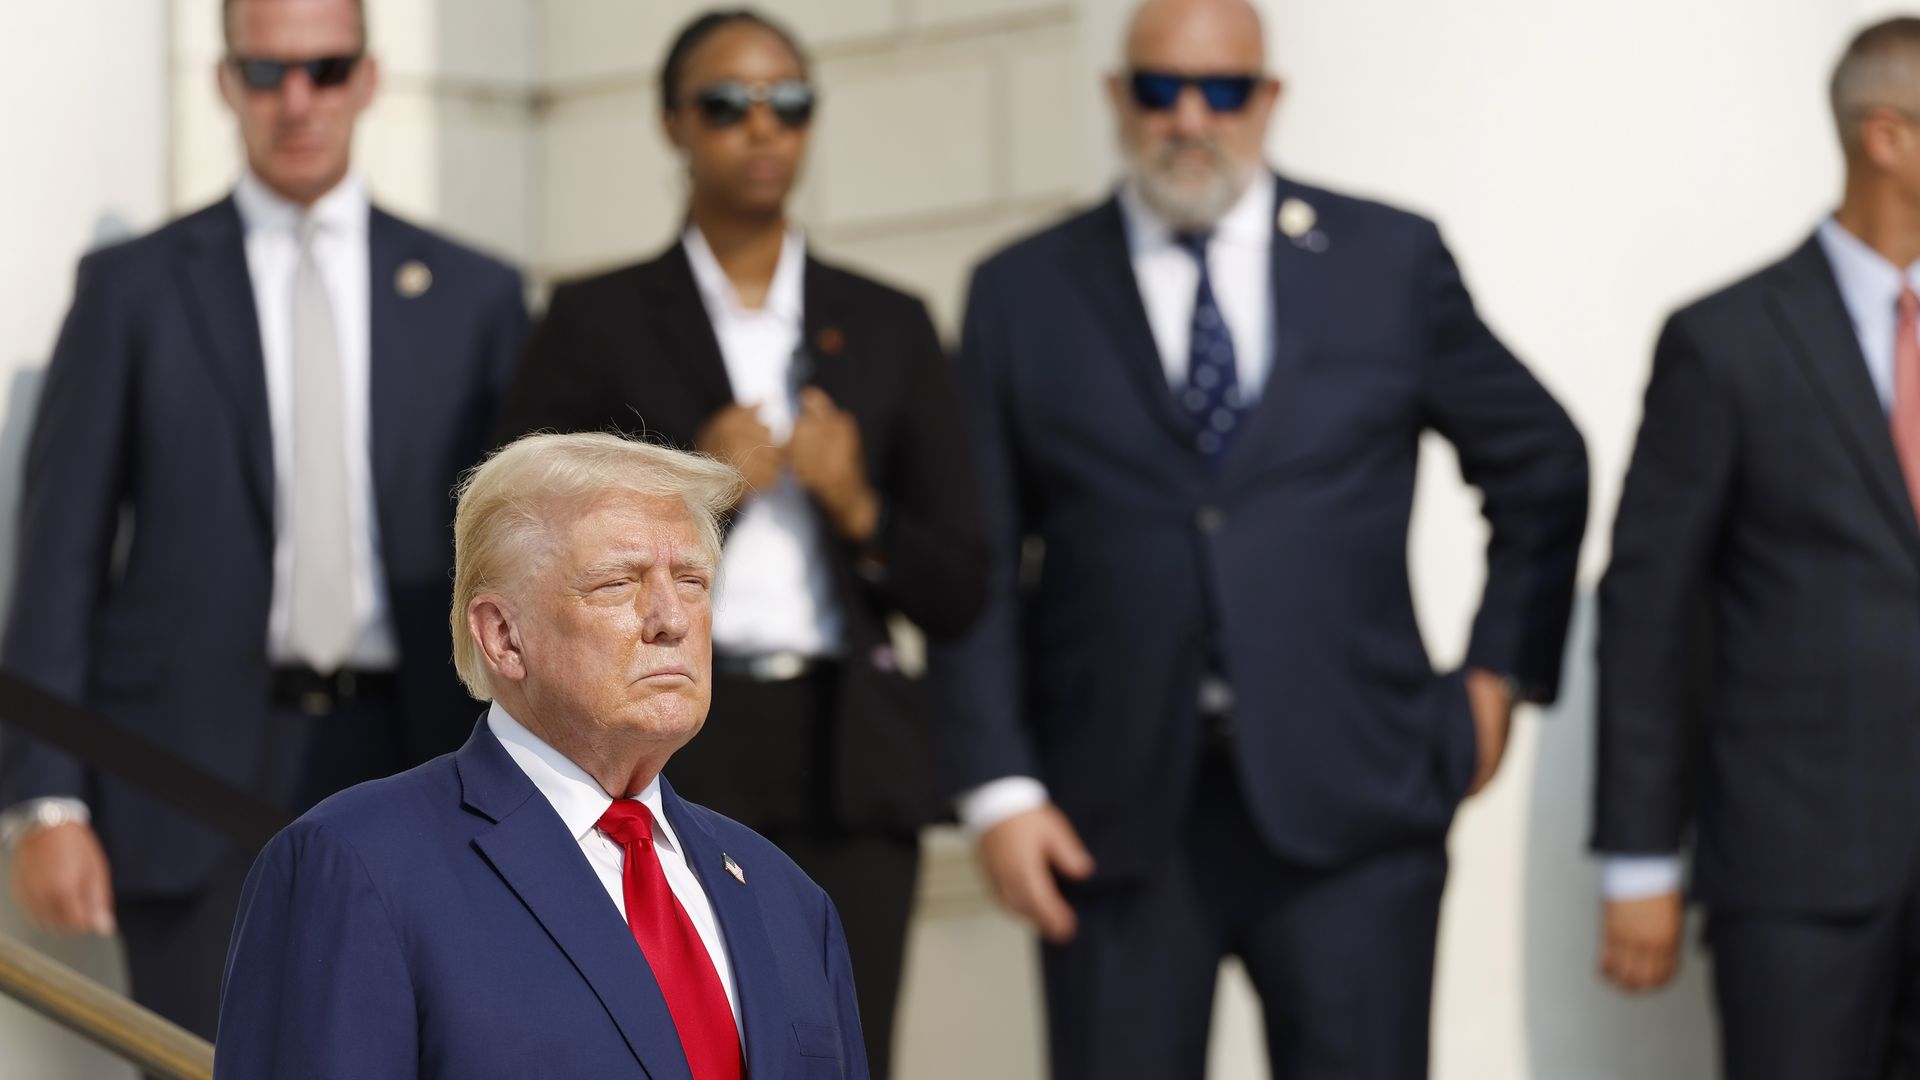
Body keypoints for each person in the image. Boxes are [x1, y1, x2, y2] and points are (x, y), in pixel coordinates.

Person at [931, 0, 1589, 1076]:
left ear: (1269, 98)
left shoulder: (1387, 258)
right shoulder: (1022, 291)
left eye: (1224, 89)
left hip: (1358, 806)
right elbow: (979, 558)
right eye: (1160, 87)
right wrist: (999, 789)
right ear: (1117, 96)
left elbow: (1543, 463)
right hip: (1109, 817)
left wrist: (1497, 674)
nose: (1191, 117)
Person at [0, 0, 527, 1039]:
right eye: (268, 70)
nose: (298, 100)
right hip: (183, 782)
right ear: (225, 81)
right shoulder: (130, 290)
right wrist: (43, 802)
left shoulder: (477, 295)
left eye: (325, 70)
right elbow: (58, 560)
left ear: (369, 79)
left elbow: (526, 558)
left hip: (423, 761)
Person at [493, 11, 984, 1074]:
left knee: (839, 1050)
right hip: (666, 735)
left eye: (788, 103)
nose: (761, 129)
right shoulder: (595, 320)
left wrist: (862, 510)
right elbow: (520, 540)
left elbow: (963, 581)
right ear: (674, 124)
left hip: (851, 749)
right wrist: (694, 484)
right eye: (726, 104)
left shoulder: (889, 322)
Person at [214, 432, 865, 1079]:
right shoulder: (355, 867)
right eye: (618, 582)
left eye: (692, 580)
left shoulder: (789, 900)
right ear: (503, 637)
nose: (672, 617)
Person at [1594, 17, 1920, 1077]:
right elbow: (1646, 609)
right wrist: (1639, 856)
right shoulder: (1727, 340)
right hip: (1802, 873)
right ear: (1889, 138)